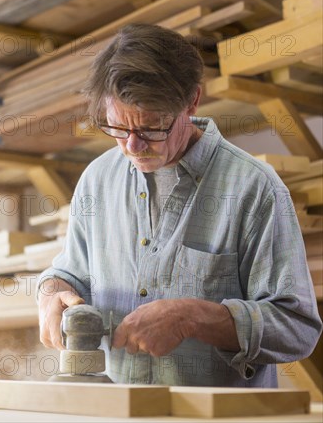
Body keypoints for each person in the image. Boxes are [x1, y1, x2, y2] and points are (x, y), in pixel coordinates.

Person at [37, 23, 322, 386]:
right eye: (118, 129)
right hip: (120, 411)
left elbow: (297, 329)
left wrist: (193, 317)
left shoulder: (254, 189)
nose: (133, 147)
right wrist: (51, 292)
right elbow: (70, 274)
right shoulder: (97, 180)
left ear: (192, 101)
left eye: (152, 128)